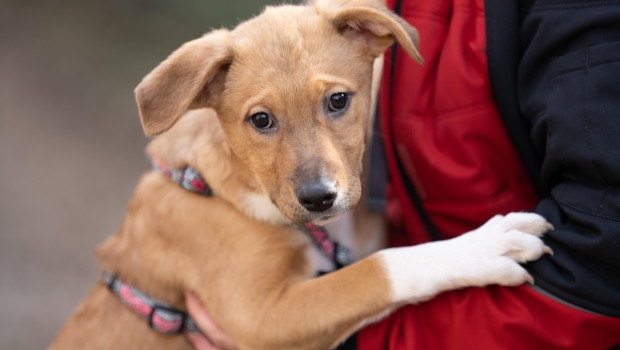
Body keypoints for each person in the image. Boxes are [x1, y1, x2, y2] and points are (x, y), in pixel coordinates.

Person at [186, 0, 620, 348]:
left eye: (336, 101)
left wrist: (351, 337)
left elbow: (597, 268)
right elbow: (261, 325)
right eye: (263, 121)